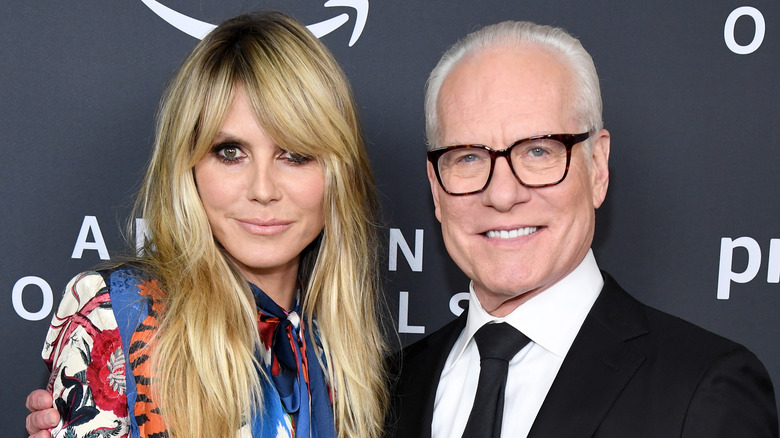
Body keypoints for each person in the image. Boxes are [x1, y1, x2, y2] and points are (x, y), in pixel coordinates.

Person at [387, 20, 778, 437]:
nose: (502, 195)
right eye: (467, 158)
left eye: (538, 151)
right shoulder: (387, 388)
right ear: (435, 187)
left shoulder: (702, 389)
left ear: (598, 169)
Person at [25, 11, 387, 438]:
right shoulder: (117, 315)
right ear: (188, 165)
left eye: (295, 153)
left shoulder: (341, 354)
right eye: (231, 152)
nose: (263, 189)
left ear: (337, 174)